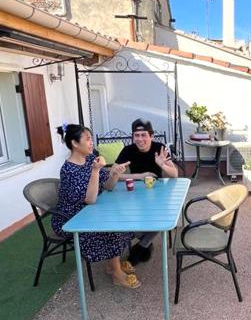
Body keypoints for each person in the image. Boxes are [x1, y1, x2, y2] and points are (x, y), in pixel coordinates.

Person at [52, 124, 141, 289]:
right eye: (87, 139)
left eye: (91, 138)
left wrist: (115, 174)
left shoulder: (89, 160)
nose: (91, 143)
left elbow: (107, 186)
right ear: (75, 143)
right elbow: (90, 199)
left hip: (90, 212)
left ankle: (111, 265)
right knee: (110, 228)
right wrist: (95, 172)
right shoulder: (68, 170)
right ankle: (116, 273)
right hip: (72, 218)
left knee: (122, 222)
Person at [115, 118, 178, 264]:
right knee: (125, 219)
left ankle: (141, 246)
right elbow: (114, 174)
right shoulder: (128, 150)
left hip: (158, 194)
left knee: (162, 219)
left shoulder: (160, 148)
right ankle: (146, 243)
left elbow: (175, 174)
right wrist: (139, 176)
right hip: (133, 195)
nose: (140, 139)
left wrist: (162, 165)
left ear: (151, 136)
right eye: (136, 135)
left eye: (144, 135)